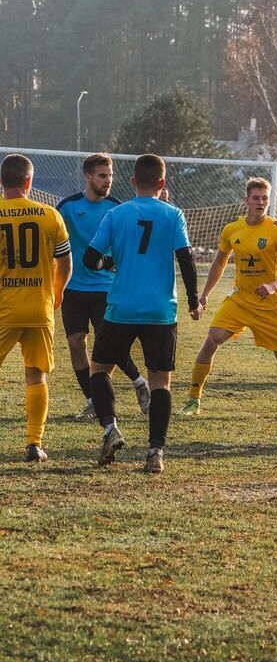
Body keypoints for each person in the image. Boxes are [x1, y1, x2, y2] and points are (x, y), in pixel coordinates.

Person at [84, 154, 199, 474]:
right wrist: (193, 300)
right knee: (160, 382)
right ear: (163, 184)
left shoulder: (115, 214)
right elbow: (186, 259)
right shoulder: (173, 214)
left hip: (121, 307)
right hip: (161, 310)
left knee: (100, 370)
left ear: (132, 182)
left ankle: (110, 428)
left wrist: (110, 264)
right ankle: (155, 452)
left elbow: (90, 259)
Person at [181, 177, 277, 421]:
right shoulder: (232, 229)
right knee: (212, 339)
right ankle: (193, 400)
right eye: (256, 198)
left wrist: (273, 286)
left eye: (265, 198)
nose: (261, 202)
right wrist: (204, 296)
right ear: (247, 199)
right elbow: (219, 263)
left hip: (270, 306)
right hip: (240, 300)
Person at [57, 153, 150, 420]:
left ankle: (139, 383)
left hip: (106, 288)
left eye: (110, 176)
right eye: (102, 175)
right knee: (76, 343)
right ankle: (94, 402)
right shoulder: (68, 207)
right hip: (73, 288)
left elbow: (128, 246)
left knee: (107, 346)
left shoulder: (118, 208)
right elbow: (54, 241)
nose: (107, 181)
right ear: (88, 176)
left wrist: (113, 263)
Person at [0, 153, 72, 461]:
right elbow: (65, 263)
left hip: (4, 309)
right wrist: (57, 293)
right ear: (29, 181)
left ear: (2, 182)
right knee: (36, 375)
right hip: (39, 309)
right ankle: (33, 444)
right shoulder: (49, 215)